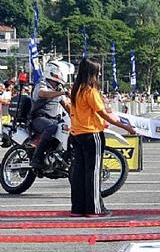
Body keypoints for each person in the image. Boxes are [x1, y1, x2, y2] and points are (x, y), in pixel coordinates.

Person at [69, 57, 135, 218]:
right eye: (97, 72)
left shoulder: (76, 89)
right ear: (92, 73)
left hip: (76, 133)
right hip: (91, 134)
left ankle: (78, 207)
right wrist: (126, 127)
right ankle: (94, 208)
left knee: (79, 171)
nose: (99, 75)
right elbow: (103, 114)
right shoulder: (90, 91)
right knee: (93, 172)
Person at [30, 61, 73, 169]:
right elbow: (43, 94)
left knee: (67, 129)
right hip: (39, 118)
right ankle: (37, 157)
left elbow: (67, 106)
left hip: (55, 119)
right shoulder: (42, 84)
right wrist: (62, 93)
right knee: (51, 128)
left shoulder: (59, 89)